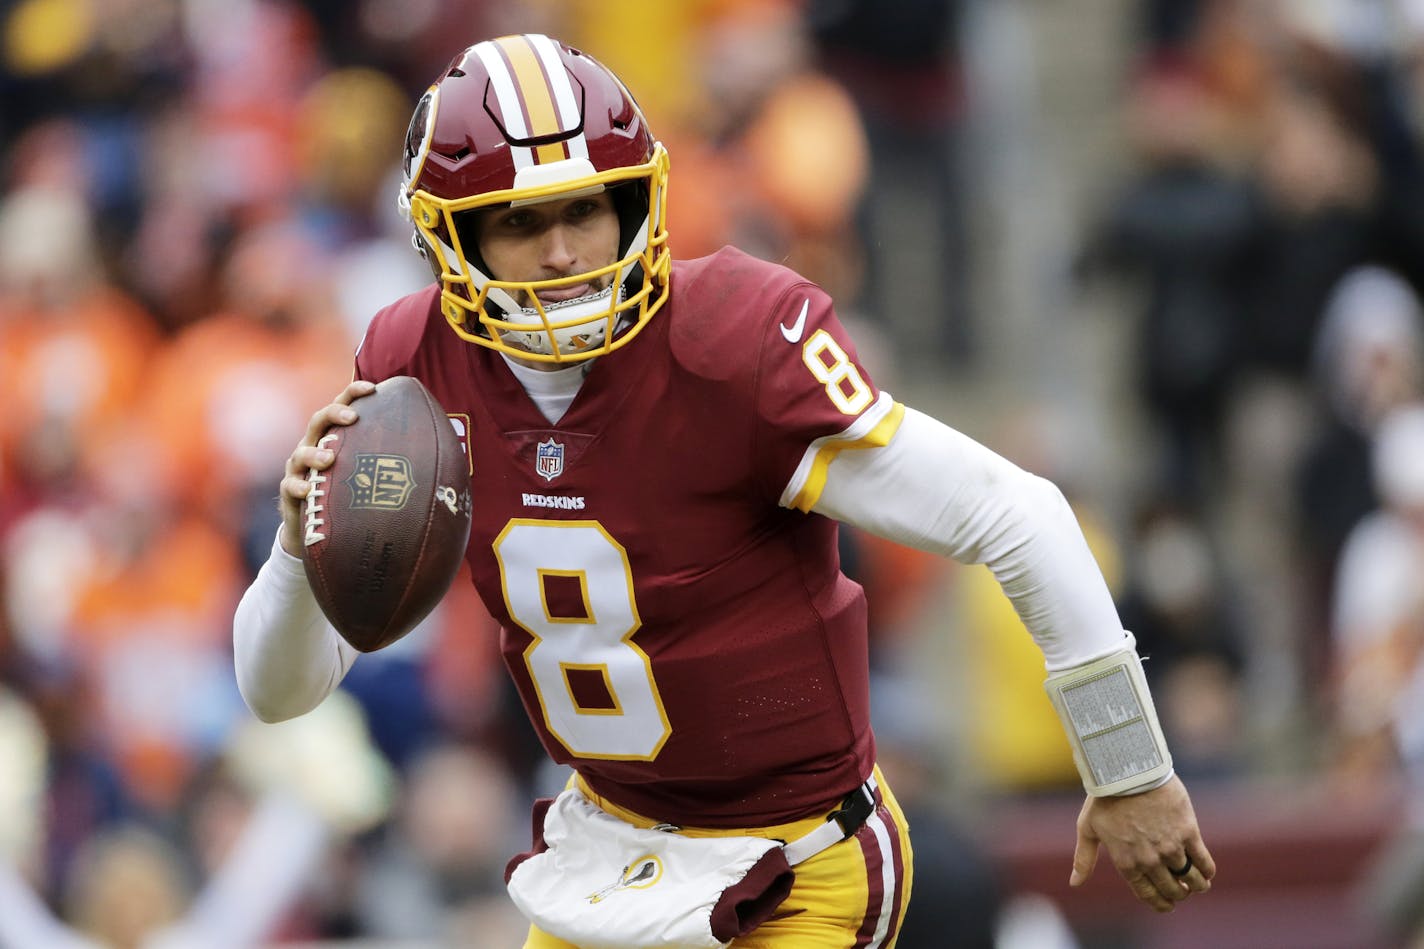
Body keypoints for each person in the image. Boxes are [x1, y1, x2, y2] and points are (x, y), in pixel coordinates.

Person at [233, 33, 1214, 948]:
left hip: (793, 860)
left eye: (586, 208)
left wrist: (1125, 765)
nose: (565, 250)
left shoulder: (731, 345)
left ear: (636, 202)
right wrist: (295, 544)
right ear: (450, 240)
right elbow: (280, 692)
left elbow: (1016, 512)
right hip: (605, 846)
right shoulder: (412, 369)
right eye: (520, 222)